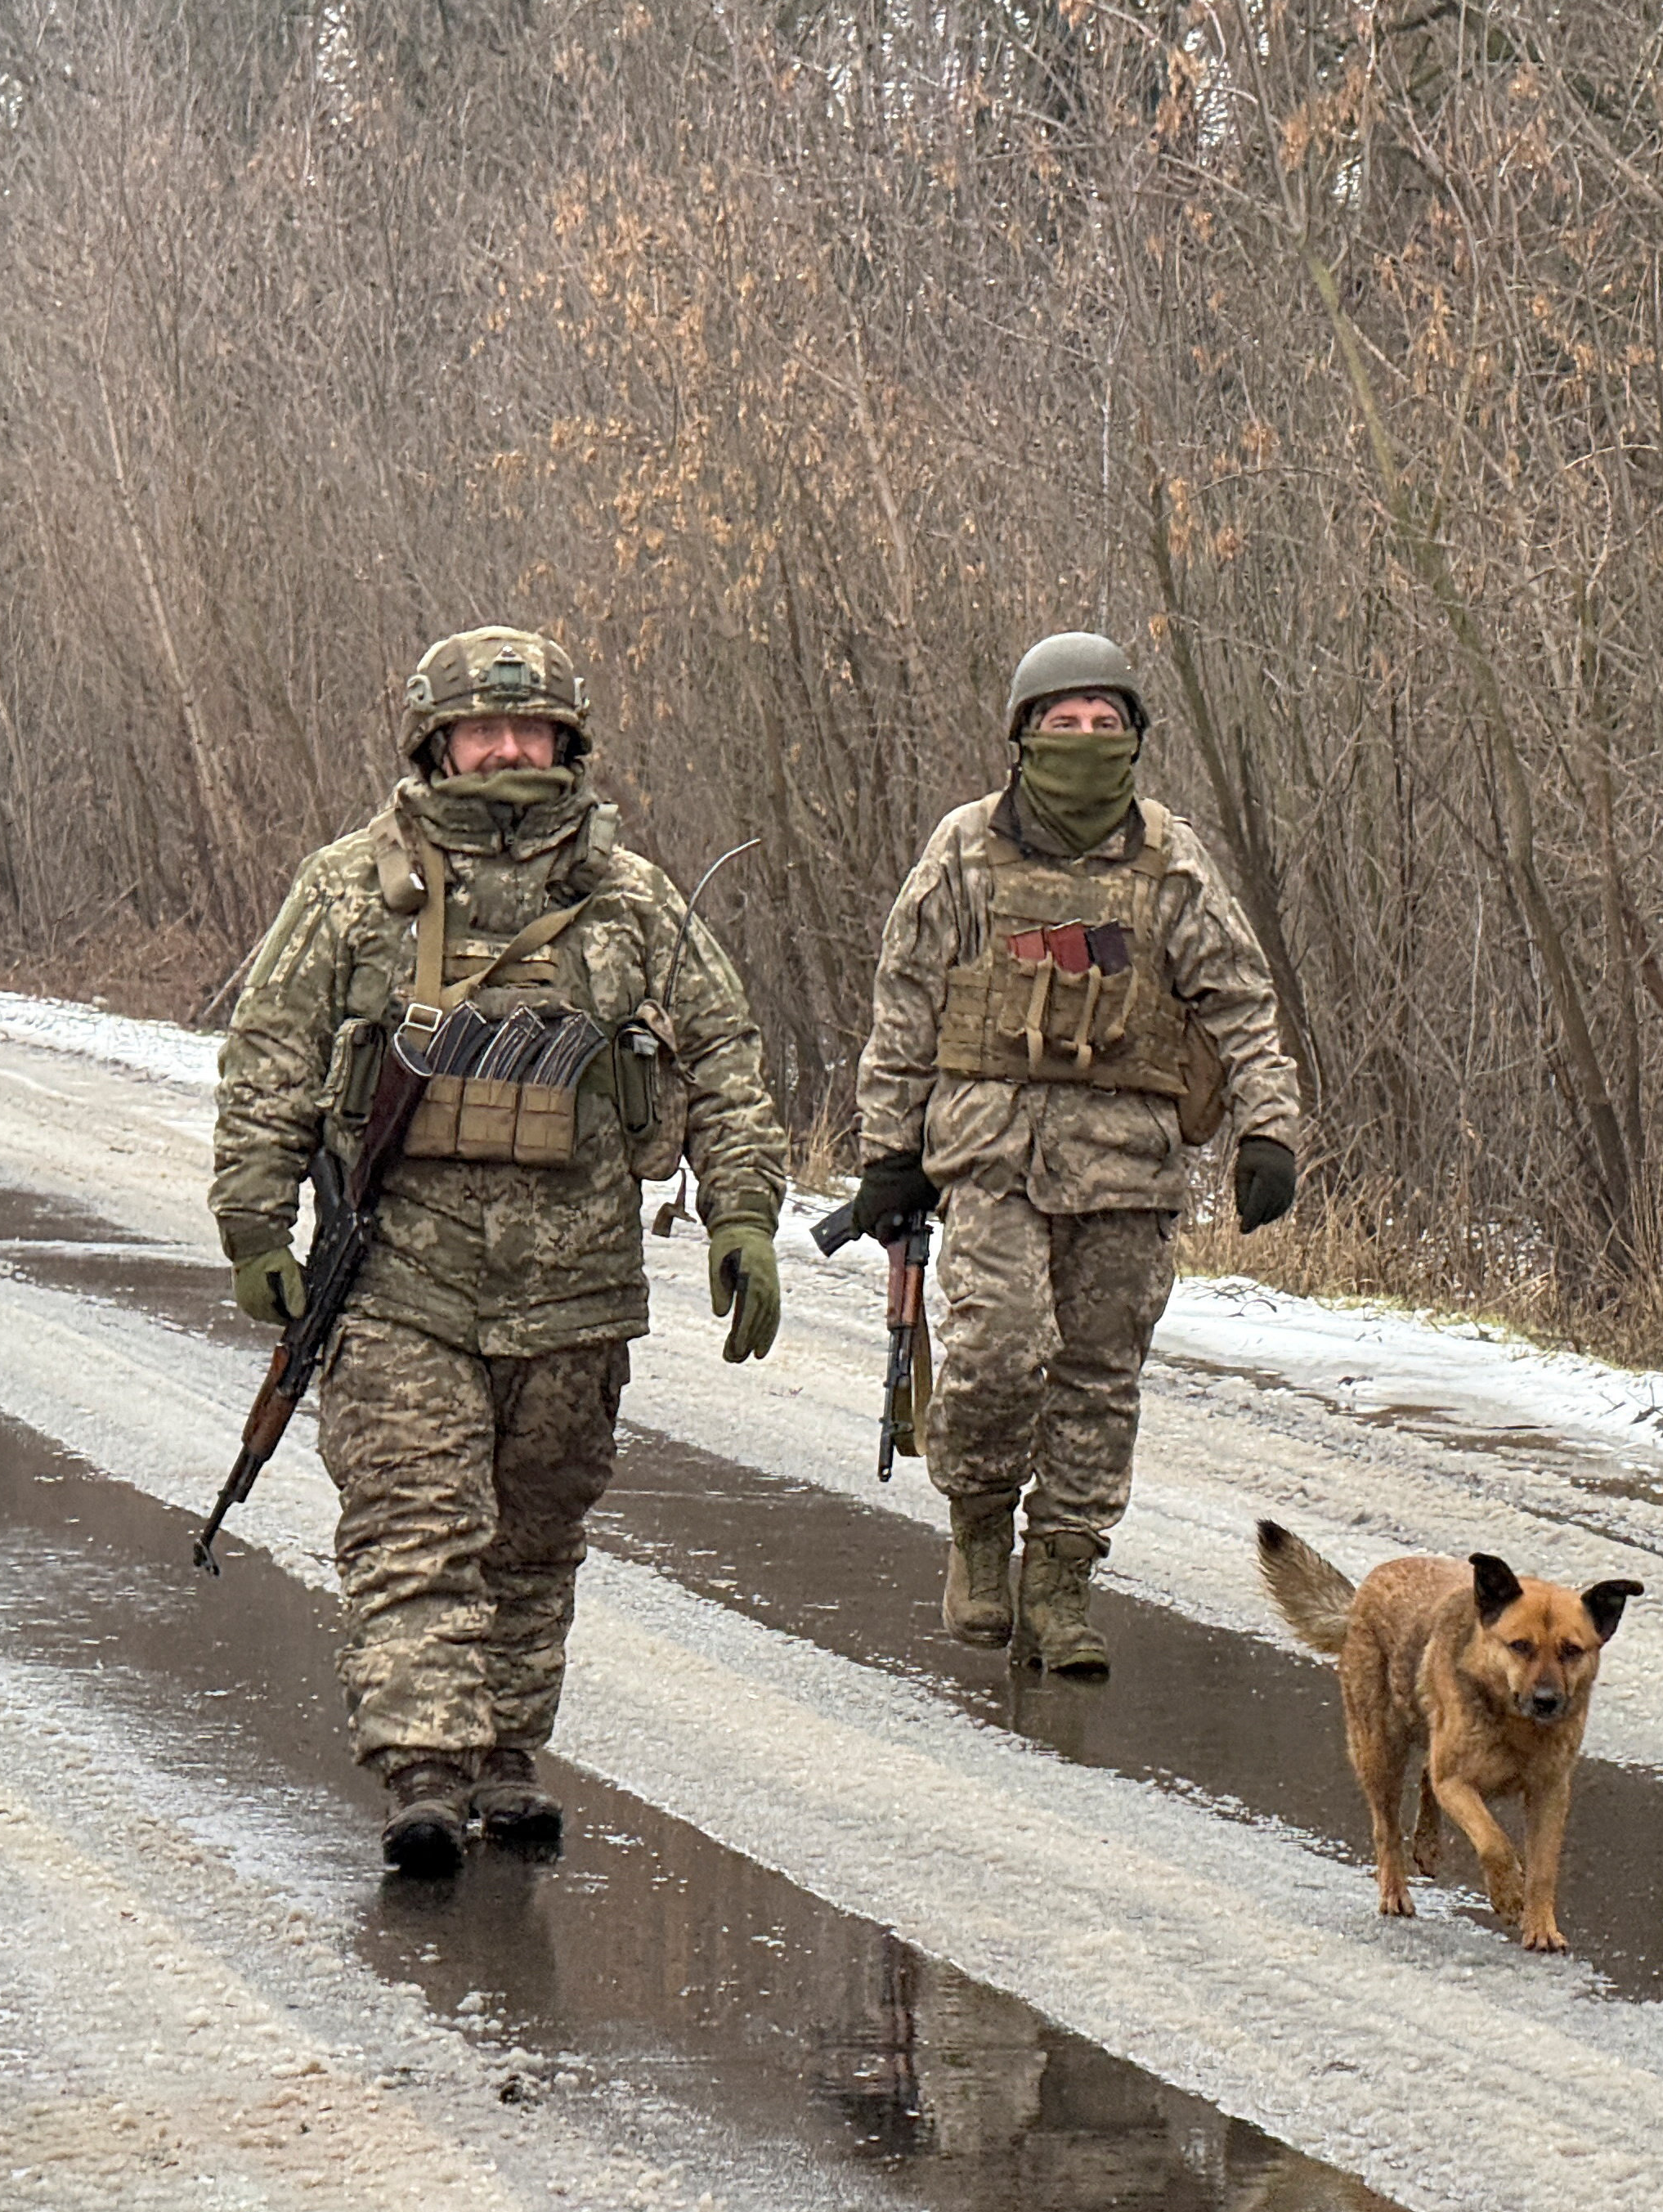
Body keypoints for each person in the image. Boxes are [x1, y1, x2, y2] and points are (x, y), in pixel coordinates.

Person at [211, 626, 788, 1873]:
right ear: (438, 741)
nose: (511, 749)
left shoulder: (632, 901)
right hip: (403, 1277)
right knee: (418, 1522)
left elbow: (728, 1065)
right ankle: (423, 1768)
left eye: (532, 732)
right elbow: (270, 1059)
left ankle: (507, 1754)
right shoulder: (350, 889)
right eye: (487, 730)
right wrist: (255, 1218)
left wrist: (743, 1214)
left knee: (535, 1534)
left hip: (578, 1294)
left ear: (569, 742)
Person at [850, 630, 1304, 1676]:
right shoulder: (964, 848)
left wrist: (1269, 1127)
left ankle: (1059, 1577)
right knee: (999, 1350)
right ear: (1024, 735)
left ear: (1135, 739)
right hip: (992, 1158)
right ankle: (976, 1528)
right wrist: (888, 1149)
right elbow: (905, 1005)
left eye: (1108, 725)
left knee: (1101, 1377)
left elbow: (1241, 1002)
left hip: (1130, 1169)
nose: (1088, 740)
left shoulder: (1168, 856)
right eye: (1066, 724)